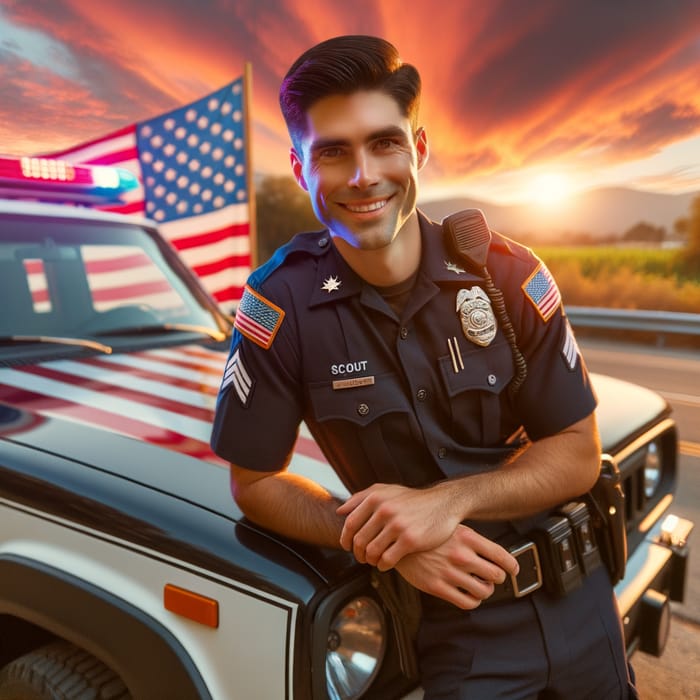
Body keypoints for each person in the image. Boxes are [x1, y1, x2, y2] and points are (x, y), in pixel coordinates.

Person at [211, 35, 637, 699]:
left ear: (420, 149)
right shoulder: (280, 305)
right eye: (333, 152)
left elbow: (578, 452)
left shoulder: (506, 274)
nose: (362, 175)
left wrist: (449, 501)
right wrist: (386, 541)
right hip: (454, 637)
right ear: (300, 169)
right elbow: (256, 480)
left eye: (384, 142)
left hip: (582, 602)